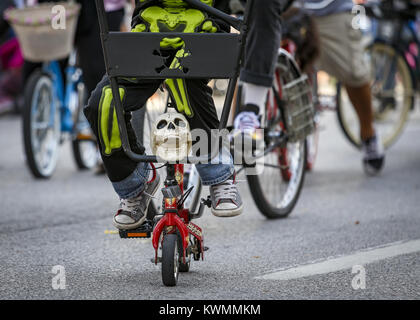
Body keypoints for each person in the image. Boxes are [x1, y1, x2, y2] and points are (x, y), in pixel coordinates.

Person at [84, 0, 244, 231]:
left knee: (182, 80)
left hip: (202, 41)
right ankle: (135, 185)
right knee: (104, 103)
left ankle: (219, 175)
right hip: (148, 39)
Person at [233, 0, 385, 176]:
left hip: (327, 10)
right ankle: (241, 128)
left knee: (354, 73)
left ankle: (369, 133)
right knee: (247, 61)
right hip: (278, 7)